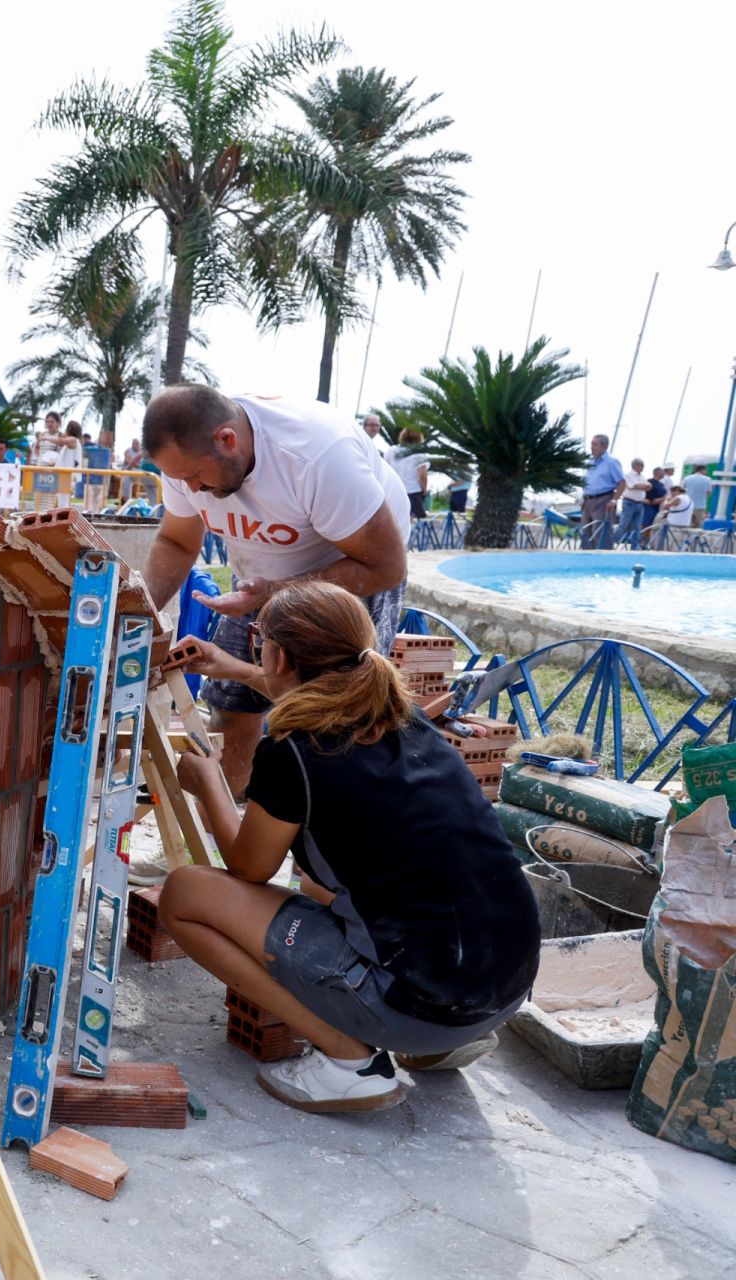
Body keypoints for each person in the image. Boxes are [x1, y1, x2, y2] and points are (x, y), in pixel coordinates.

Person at [158, 581, 540, 1113]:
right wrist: (239, 670)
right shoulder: (404, 717)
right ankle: (441, 1048)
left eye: (257, 642)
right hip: (503, 986)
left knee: (184, 894)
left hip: (424, 1005)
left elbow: (247, 869)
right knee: (322, 880)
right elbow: (321, 700)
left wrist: (209, 786)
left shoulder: (292, 751)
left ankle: (349, 1063)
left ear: (280, 655)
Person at [141, 383, 408, 799]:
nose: (191, 490)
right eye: (181, 479)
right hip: (260, 581)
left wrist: (276, 591)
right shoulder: (186, 460)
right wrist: (137, 612)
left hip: (354, 573)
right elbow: (176, 543)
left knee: (338, 720)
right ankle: (226, 832)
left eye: (195, 476)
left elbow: (385, 566)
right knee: (230, 702)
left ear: (227, 440)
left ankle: (317, 859)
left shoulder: (315, 456)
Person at [579, 434, 625, 548]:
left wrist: (614, 501)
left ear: (604, 446)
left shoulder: (611, 462)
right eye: (591, 444)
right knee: (586, 532)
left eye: (595, 444)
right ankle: (586, 560)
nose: (592, 447)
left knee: (600, 532)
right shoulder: (590, 462)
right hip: (587, 500)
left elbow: (622, 483)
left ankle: (604, 560)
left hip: (603, 500)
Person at [389, 427, 429, 522]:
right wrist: (424, 489)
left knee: (395, 521)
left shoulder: (391, 450)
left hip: (394, 491)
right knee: (417, 522)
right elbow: (422, 475)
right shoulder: (419, 453)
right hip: (413, 492)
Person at [617, 458, 651, 542]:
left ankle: (635, 546)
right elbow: (634, 486)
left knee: (637, 527)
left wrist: (643, 486)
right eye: (641, 465)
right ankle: (612, 542)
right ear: (635, 465)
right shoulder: (628, 475)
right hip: (629, 503)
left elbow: (649, 486)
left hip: (639, 503)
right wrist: (644, 486)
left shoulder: (642, 476)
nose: (643, 467)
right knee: (624, 524)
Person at [682, 463, 713, 527]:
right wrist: (703, 498)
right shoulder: (708, 479)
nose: (706, 472)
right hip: (700, 506)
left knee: (686, 525)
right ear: (703, 470)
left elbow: (682, 491)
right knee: (697, 526)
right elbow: (709, 493)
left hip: (687, 505)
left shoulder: (687, 478)